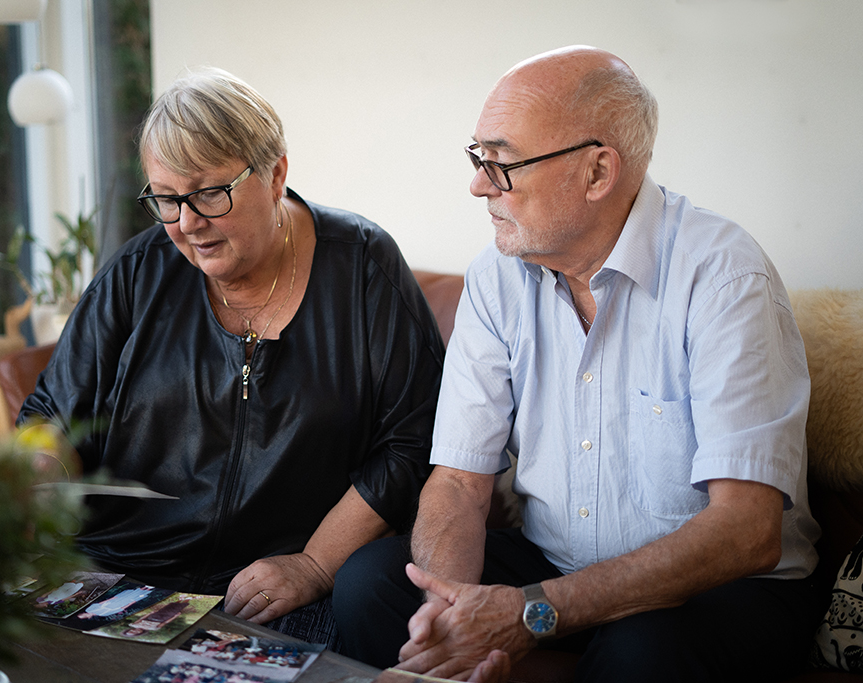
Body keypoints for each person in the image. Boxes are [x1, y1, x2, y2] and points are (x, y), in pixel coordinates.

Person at [333, 46, 823, 681]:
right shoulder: (496, 278)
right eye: (477, 157)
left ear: (597, 173)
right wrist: (448, 621)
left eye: (501, 163)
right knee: (368, 586)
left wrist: (533, 613)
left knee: (643, 653)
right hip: (556, 562)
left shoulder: (724, 276)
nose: (478, 184)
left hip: (722, 585)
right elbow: (458, 483)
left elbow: (745, 531)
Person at [18, 67, 444, 645]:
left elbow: (412, 439)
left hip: (275, 591)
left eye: (209, 193)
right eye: (166, 199)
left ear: (276, 175)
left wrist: (315, 565)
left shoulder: (363, 267)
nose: (188, 223)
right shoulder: (139, 270)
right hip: (116, 572)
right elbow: (54, 411)